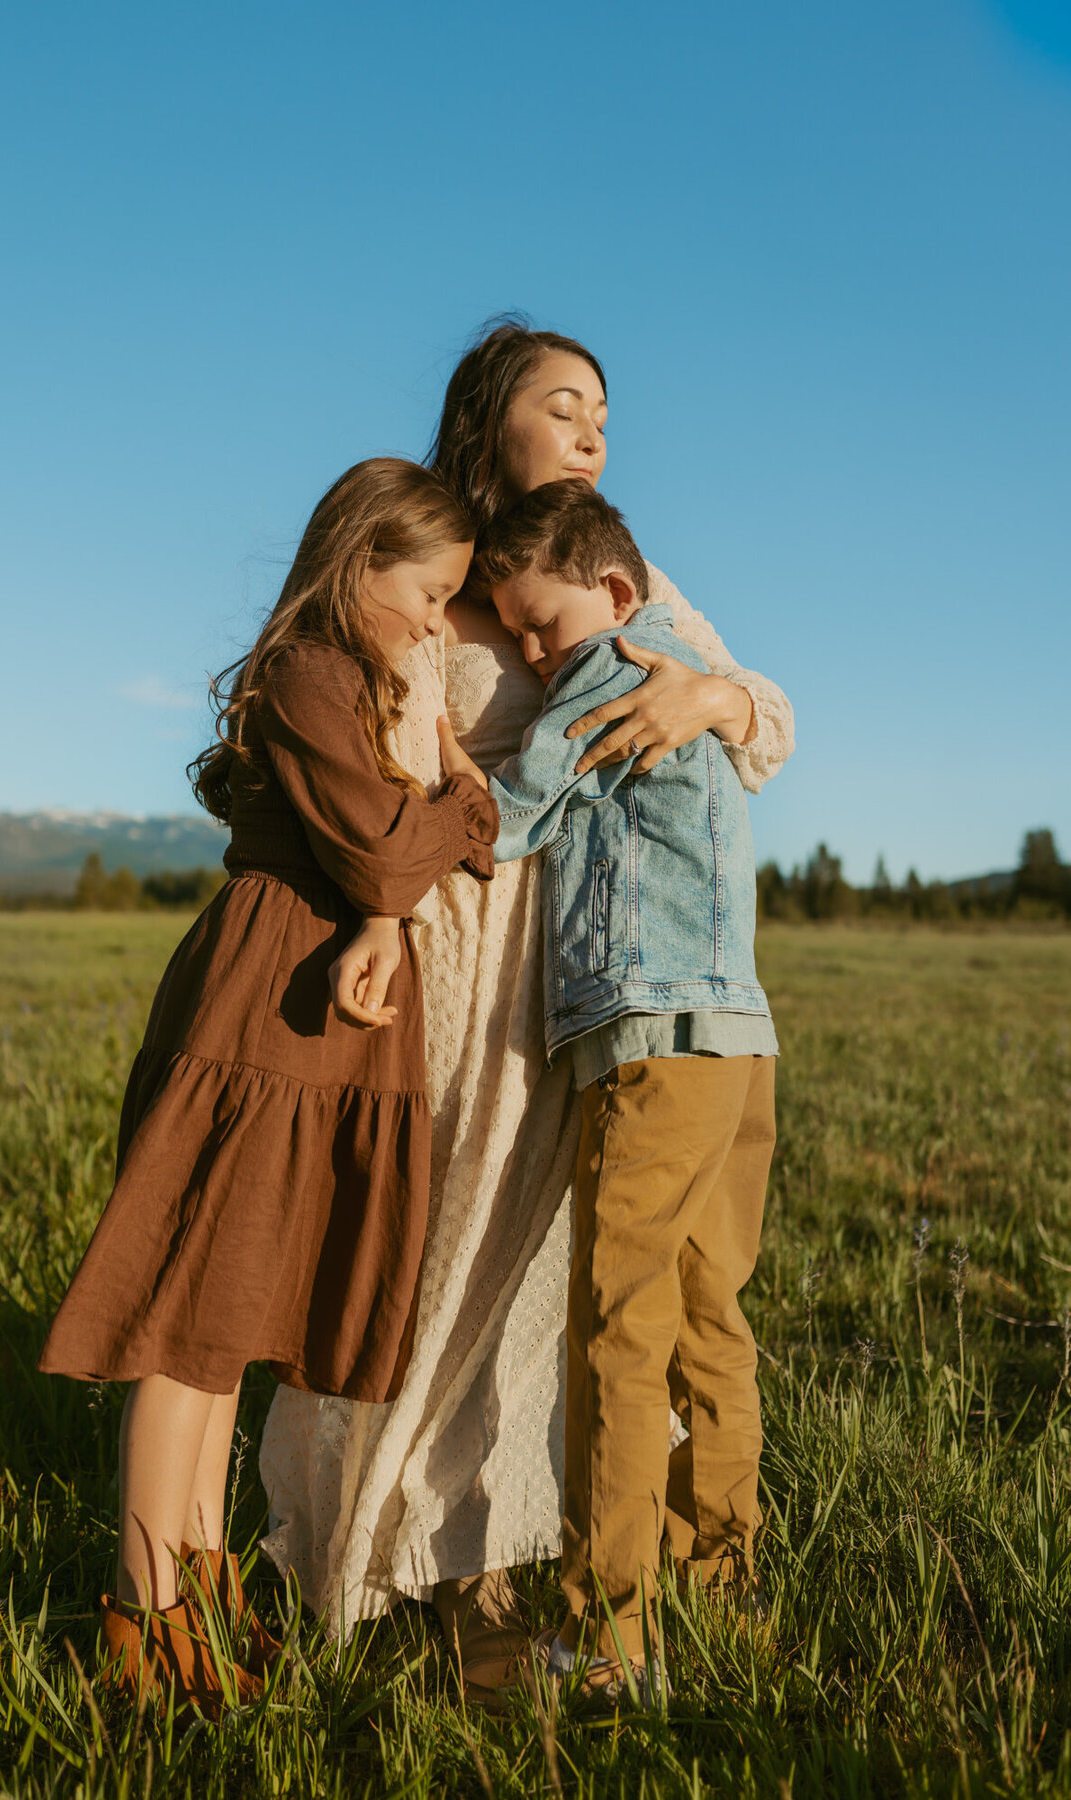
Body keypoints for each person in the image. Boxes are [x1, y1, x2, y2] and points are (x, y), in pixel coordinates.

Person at [260, 319, 794, 1705]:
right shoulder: (429, 559)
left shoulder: (624, 569)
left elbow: (775, 723)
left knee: (568, 1284)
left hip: (585, 979)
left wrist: (717, 692)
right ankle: (394, 1554)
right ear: (489, 416)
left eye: (605, 407)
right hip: (449, 948)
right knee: (425, 1250)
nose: (595, 423)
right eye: (563, 402)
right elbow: (371, 737)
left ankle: (524, 1563)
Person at [39, 457, 498, 1717]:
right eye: (427, 590)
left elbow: (457, 838)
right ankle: (143, 1619)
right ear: (360, 565)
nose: (435, 619)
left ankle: (195, 1586)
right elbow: (392, 860)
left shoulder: (375, 686)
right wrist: (446, 784)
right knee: (186, 1330)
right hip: (265, 997)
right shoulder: (313, 674)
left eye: (455, 596)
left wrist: (443, 792)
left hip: (326, 1020)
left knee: (232, 1327)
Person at [442, 479, 777, 1699]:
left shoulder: (612, 671)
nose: (532, 655)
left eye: (542, 627)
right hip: (739, 1037)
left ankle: (607, 1635)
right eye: (518, 637)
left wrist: (432, 747)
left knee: (618, 1332)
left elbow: (506, 818)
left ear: (618, 593)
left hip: (650, 1036)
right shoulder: (698, 673)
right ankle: (721, 1581)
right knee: (706, 1319)